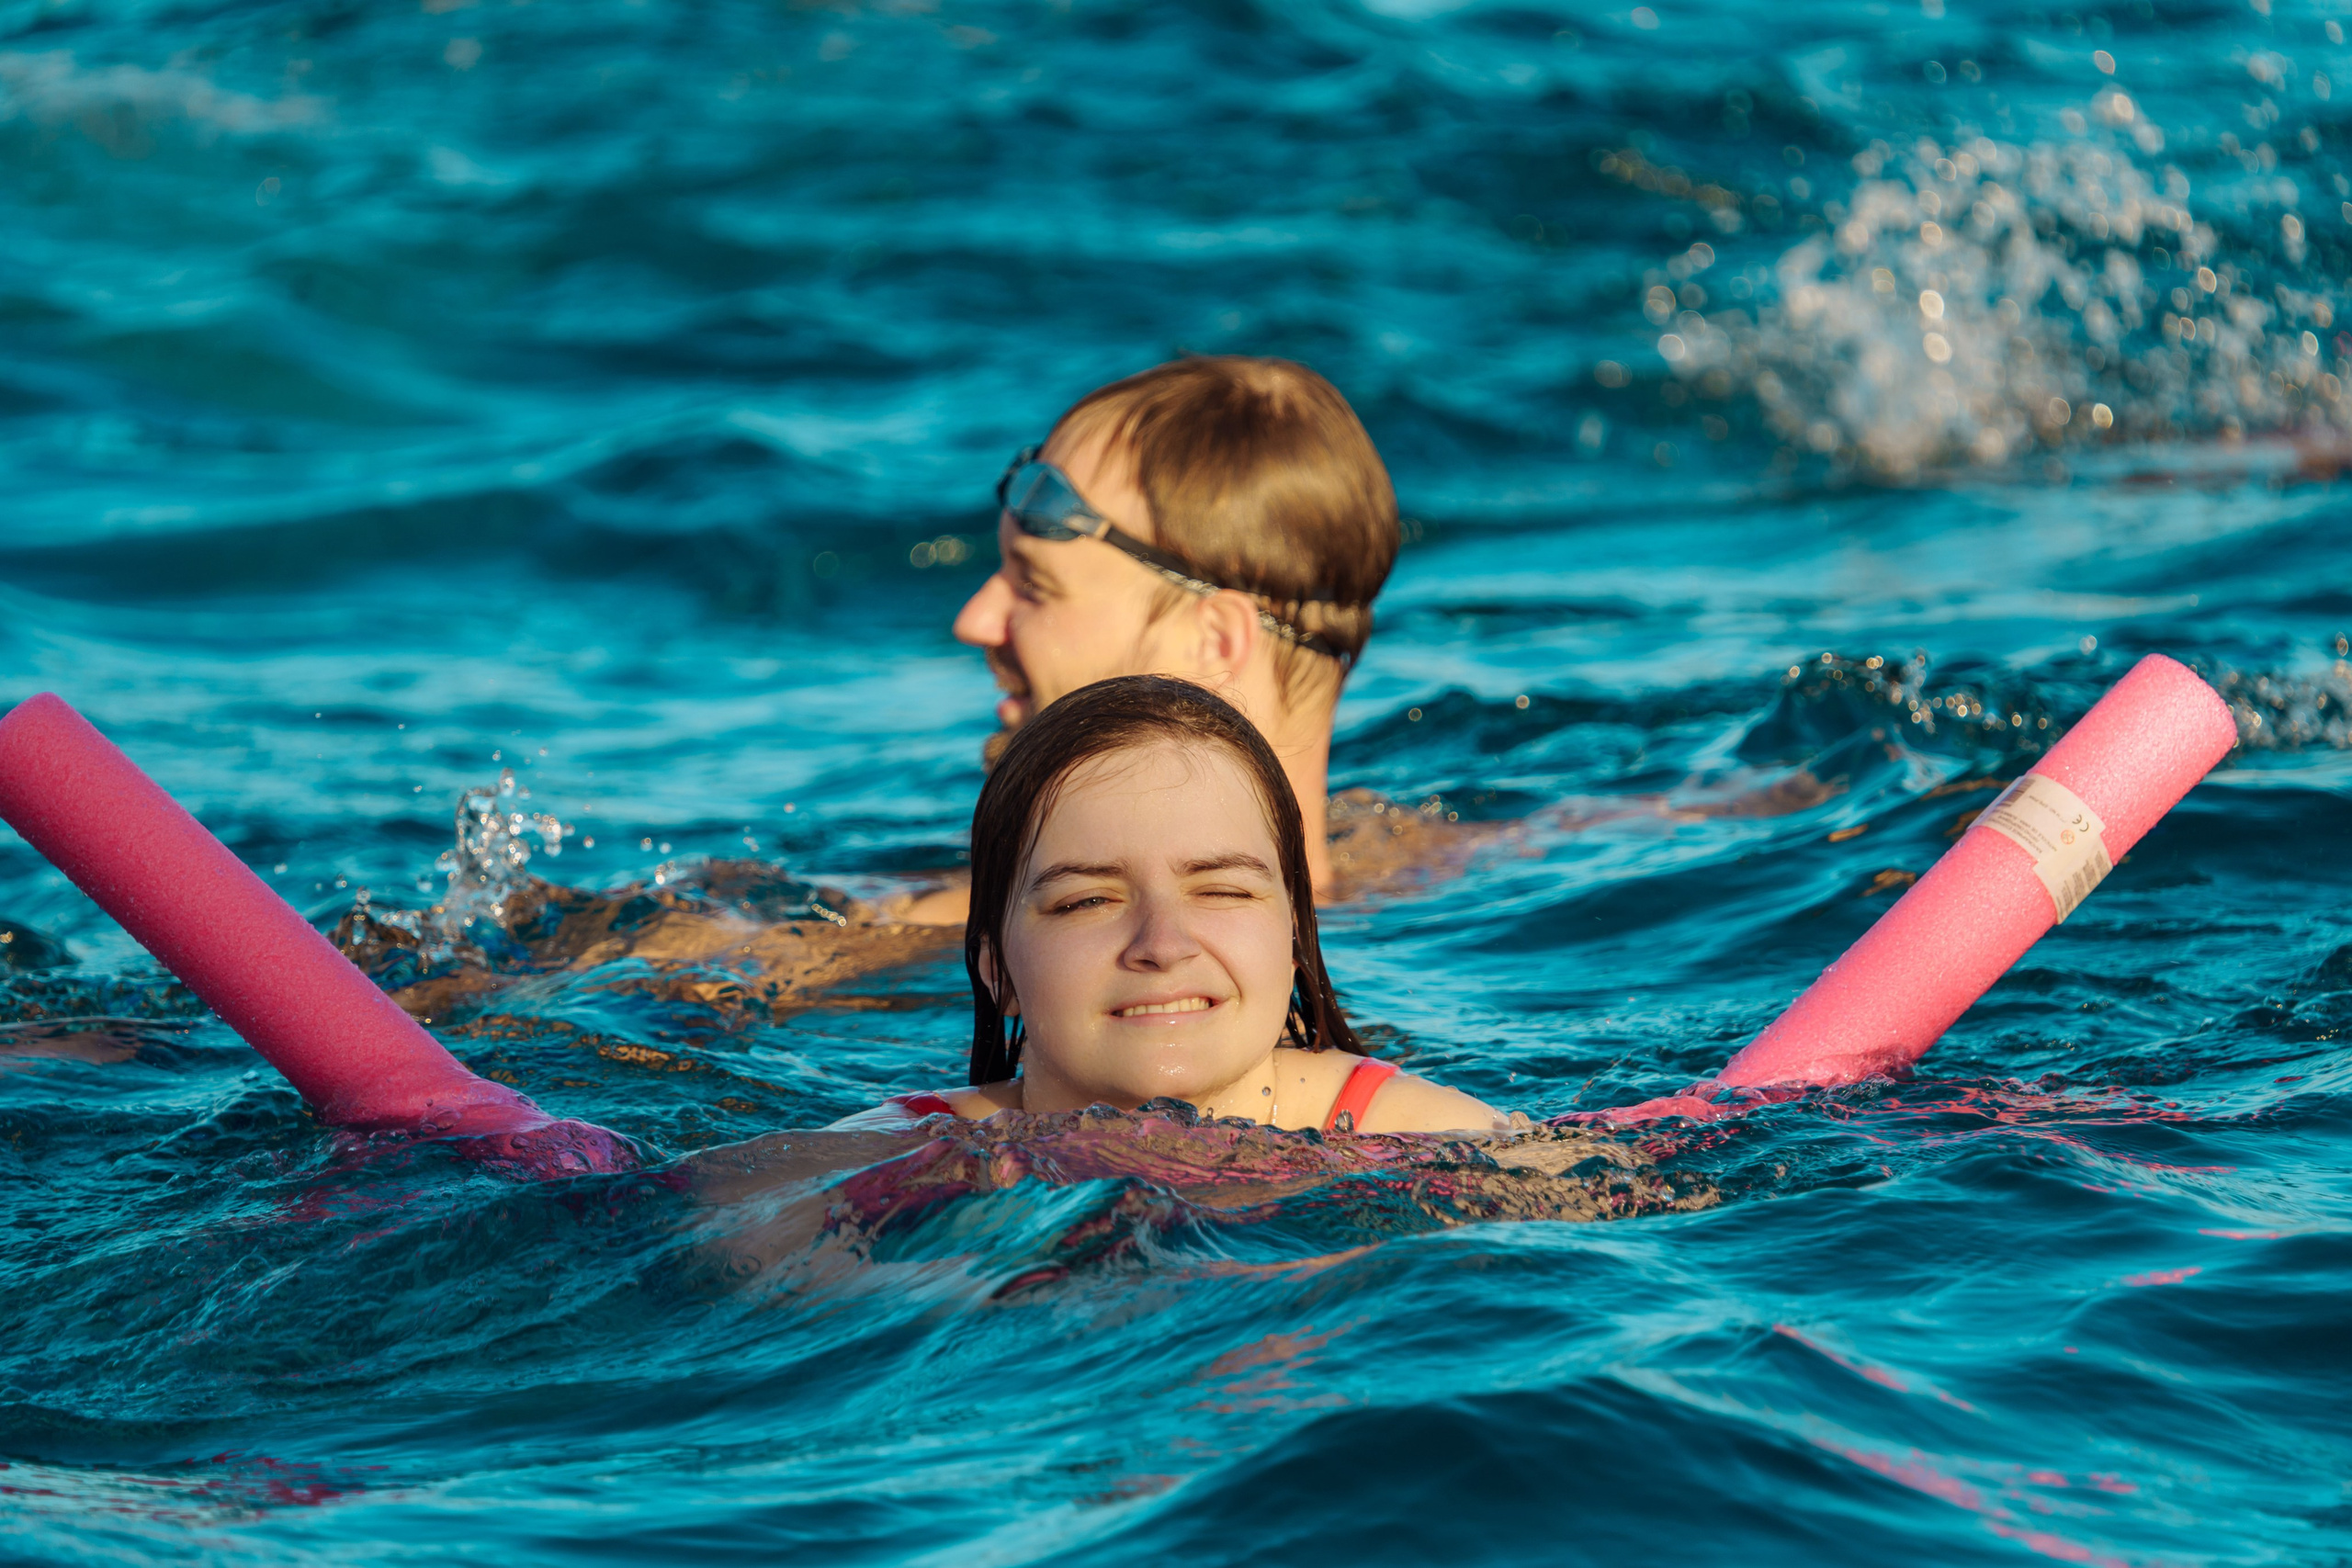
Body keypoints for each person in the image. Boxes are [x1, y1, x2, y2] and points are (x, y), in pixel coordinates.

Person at [836, 674, 1507, 1135]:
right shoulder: (897, 1157)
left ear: (1295, 940)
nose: (1163, 942)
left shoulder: (1422, 1135)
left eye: (1222, 890)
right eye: (1087, 900)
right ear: (995, 970)